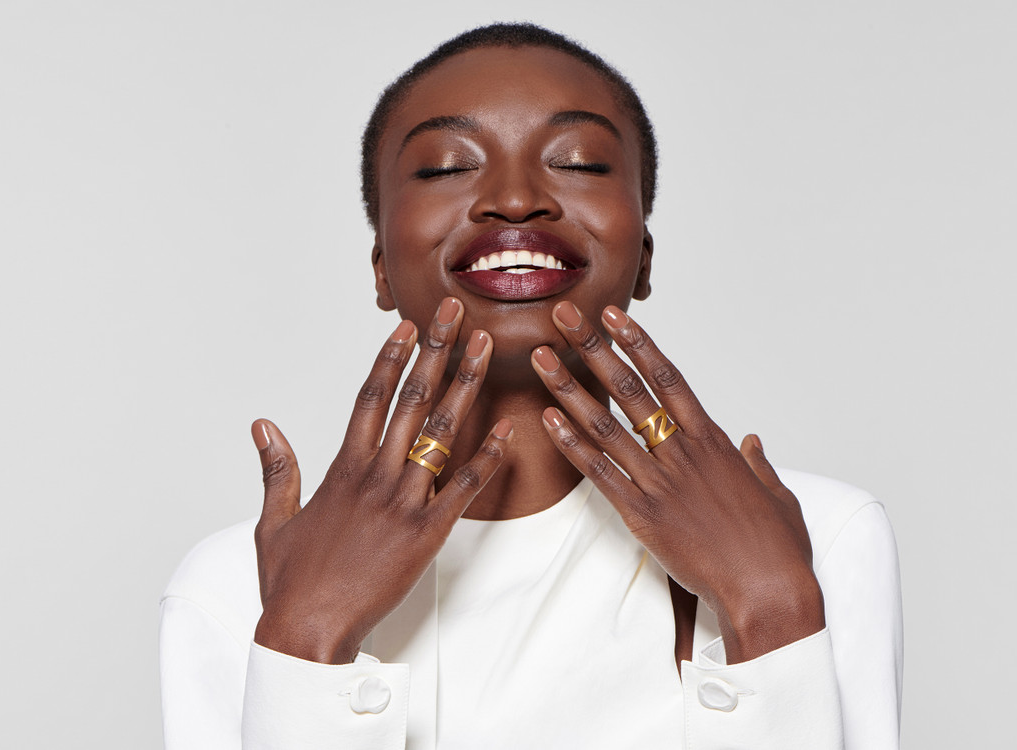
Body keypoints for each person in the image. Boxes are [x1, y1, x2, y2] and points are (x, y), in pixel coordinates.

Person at [160, 23, 902, 749]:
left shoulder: (818, 537)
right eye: (446, 167)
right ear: (381, 267)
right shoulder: (241, 583)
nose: (515, 200)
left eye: (578, 162)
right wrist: (304, 634)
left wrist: (771, 608)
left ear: (643, 256)